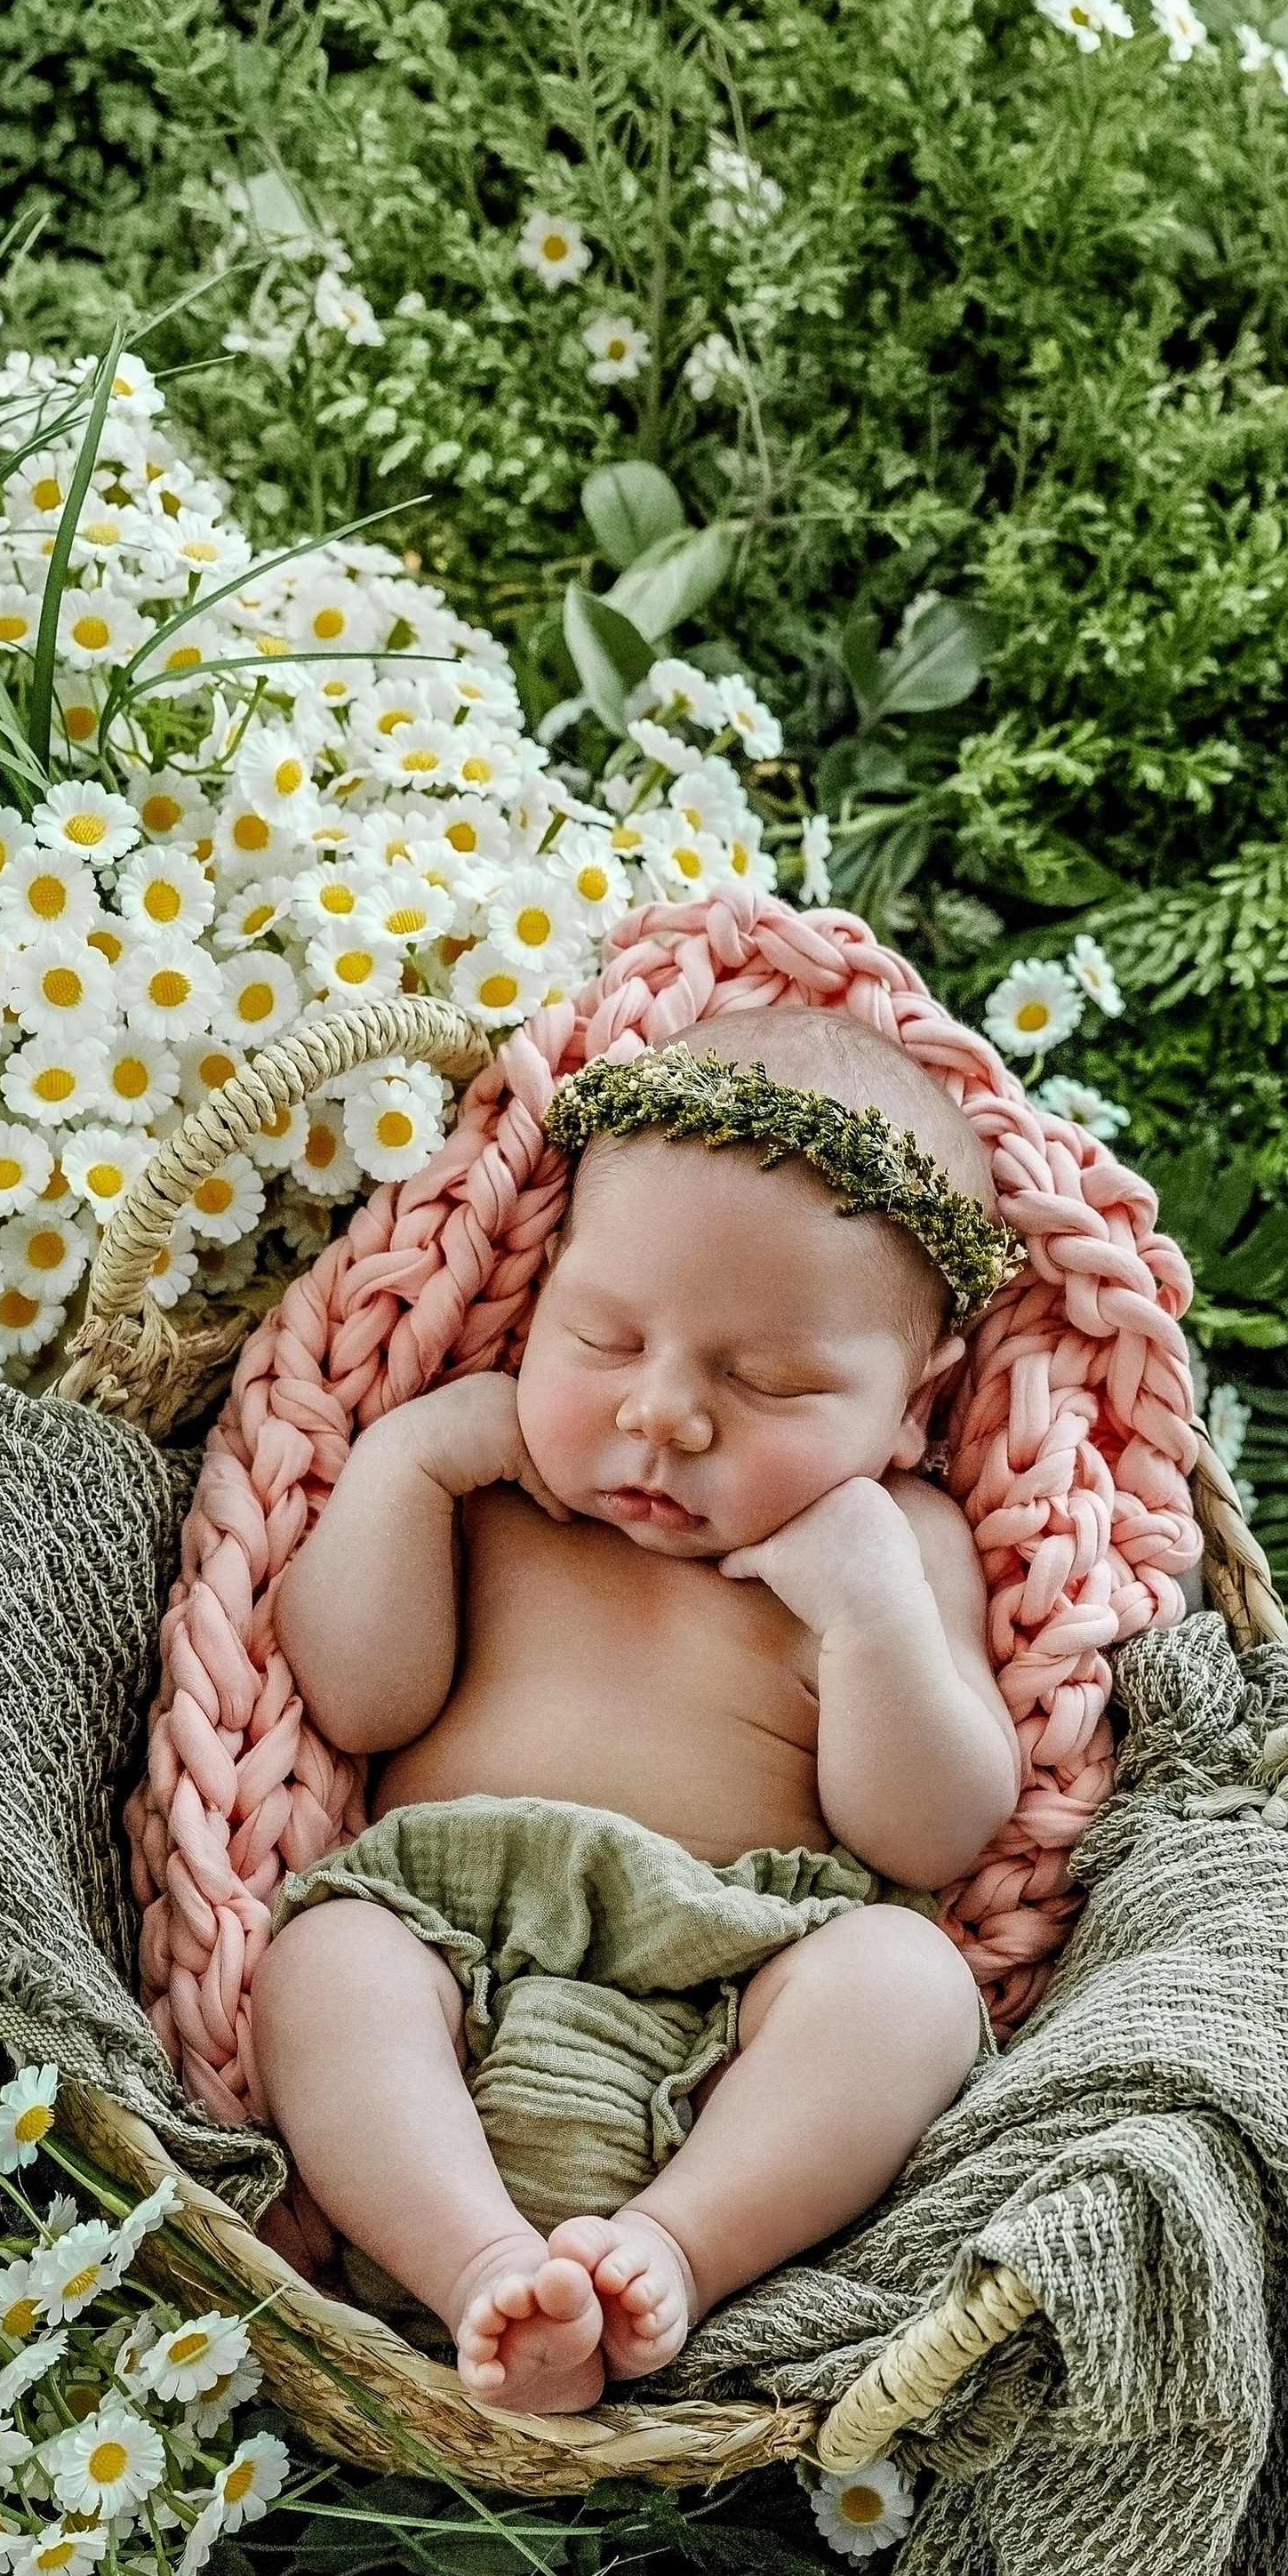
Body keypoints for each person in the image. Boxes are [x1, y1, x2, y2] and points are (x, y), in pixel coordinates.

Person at [250, 1006, 1024, 2411]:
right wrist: (411, 1465)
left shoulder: (889, 1547)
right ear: (541, 1294)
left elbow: (937, 1835)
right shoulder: (496, 1497)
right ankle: (481, 2264)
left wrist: (872, 1616)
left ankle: (673, 2250)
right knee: (328, 1960)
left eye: (768, 1380)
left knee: (907, 1986)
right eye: (603, 1338)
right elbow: (356, 1702)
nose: (663, 1414)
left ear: (915, 1405)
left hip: (741, 1995)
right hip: (455, 1943)